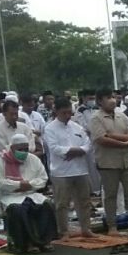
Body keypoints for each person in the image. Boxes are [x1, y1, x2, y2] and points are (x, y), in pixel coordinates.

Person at [89, 89, 128, 234]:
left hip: (127, 160)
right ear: (100, 101)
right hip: (108, 162)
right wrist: (122, 141)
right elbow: (101, 139)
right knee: (111, 195)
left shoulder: (122, 116)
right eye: (108, 97)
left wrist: (113, 136)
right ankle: (112, 225)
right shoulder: (96, 118)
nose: (112, 100)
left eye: (113, 97)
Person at [0, 133, 55, 253]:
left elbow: (43, 179)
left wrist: (29, 185)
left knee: (47, 205)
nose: (24, 152)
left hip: (31, 193)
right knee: (18, 210)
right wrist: (18, 185)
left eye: (26, 149)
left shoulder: (33, 159)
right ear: (12, 148)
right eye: (20, 149)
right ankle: (26, 243)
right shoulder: (0, 160)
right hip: (11, 196)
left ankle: (44, 241)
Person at [44, 97, 94, 239]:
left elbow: (87, 144)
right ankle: (63, 231)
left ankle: (86, 228)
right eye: (64, 113)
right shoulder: (49, 128)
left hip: (80, 169)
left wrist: (79, 151)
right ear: (56, 111)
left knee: (84, 201)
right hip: (61, 172)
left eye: (69, 113)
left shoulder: (77, 127)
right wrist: (73, 150)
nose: (67, 116)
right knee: (62, 203)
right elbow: (54, 148)